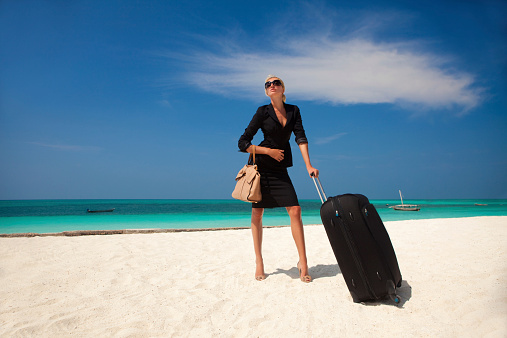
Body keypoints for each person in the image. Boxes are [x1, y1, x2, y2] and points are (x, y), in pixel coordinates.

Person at [238, 75, 319, 283]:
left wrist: (308, 165)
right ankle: (259, 262)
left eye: (276, 83)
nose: (272, 86)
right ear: (266, 91)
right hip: (261, 166)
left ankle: (303, 262)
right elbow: (243, 143)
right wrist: (269, 151)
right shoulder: (262, 112)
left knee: (295, 209)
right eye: (268, 84)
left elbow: (300, 137)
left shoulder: (294, 110)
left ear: (283, 88)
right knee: (257, 213)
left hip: (280, 168)